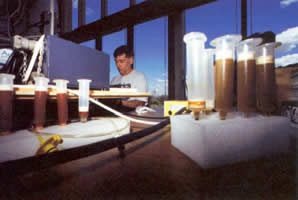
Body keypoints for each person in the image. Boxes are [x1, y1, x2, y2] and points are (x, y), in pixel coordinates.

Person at [111, 45, 148, 110]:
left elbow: (141, 102)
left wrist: (120, 103)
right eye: (116, 61)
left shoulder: (139, 77)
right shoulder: (114, 79)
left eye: (121, 61)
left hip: (131, 115)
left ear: (131, 60)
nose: (118, 65)